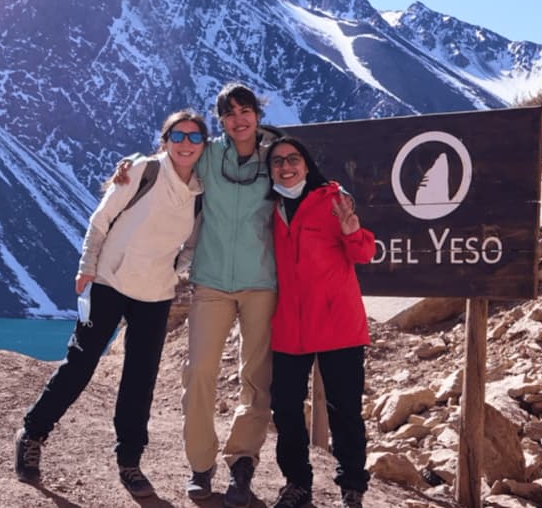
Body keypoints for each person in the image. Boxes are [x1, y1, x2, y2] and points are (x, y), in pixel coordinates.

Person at [14, 110, 208, 499]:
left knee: (140, 379)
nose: (186, 143)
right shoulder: (142, 171)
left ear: (204, 145)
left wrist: (176, 271)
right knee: (80, 363)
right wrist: (86, 267)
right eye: (178, 135)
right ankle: (33, 433)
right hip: (110, 281)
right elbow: (101, 220)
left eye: (194, 137)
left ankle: (129, 461)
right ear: (165, 139)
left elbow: (190, 246)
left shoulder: (202, 194)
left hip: (156, 293)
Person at [116, 83, 278, 508]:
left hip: (263, 282)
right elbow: (173, 160)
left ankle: (242, 463)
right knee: (199, 373)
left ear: (258, 115)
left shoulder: (276, 153)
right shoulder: (209, 153)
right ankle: (201, 465)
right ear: (221, 120)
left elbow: (307, 182)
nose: (239, 119)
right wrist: (132, 166)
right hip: (209, 282)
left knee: (256, 378)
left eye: (246, 111)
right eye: (230, 114)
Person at [263, 137, 375, 508]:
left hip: (337, 323)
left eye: (293, 159)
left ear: (306, 165)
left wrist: (350, 231)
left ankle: (352, 486)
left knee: (344, 409)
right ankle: (297, 483)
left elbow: (364, 253)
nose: (286, 167)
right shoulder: (272, 206)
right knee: (286, 408)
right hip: (290, 327)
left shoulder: (332, 201)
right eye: (277, 162)